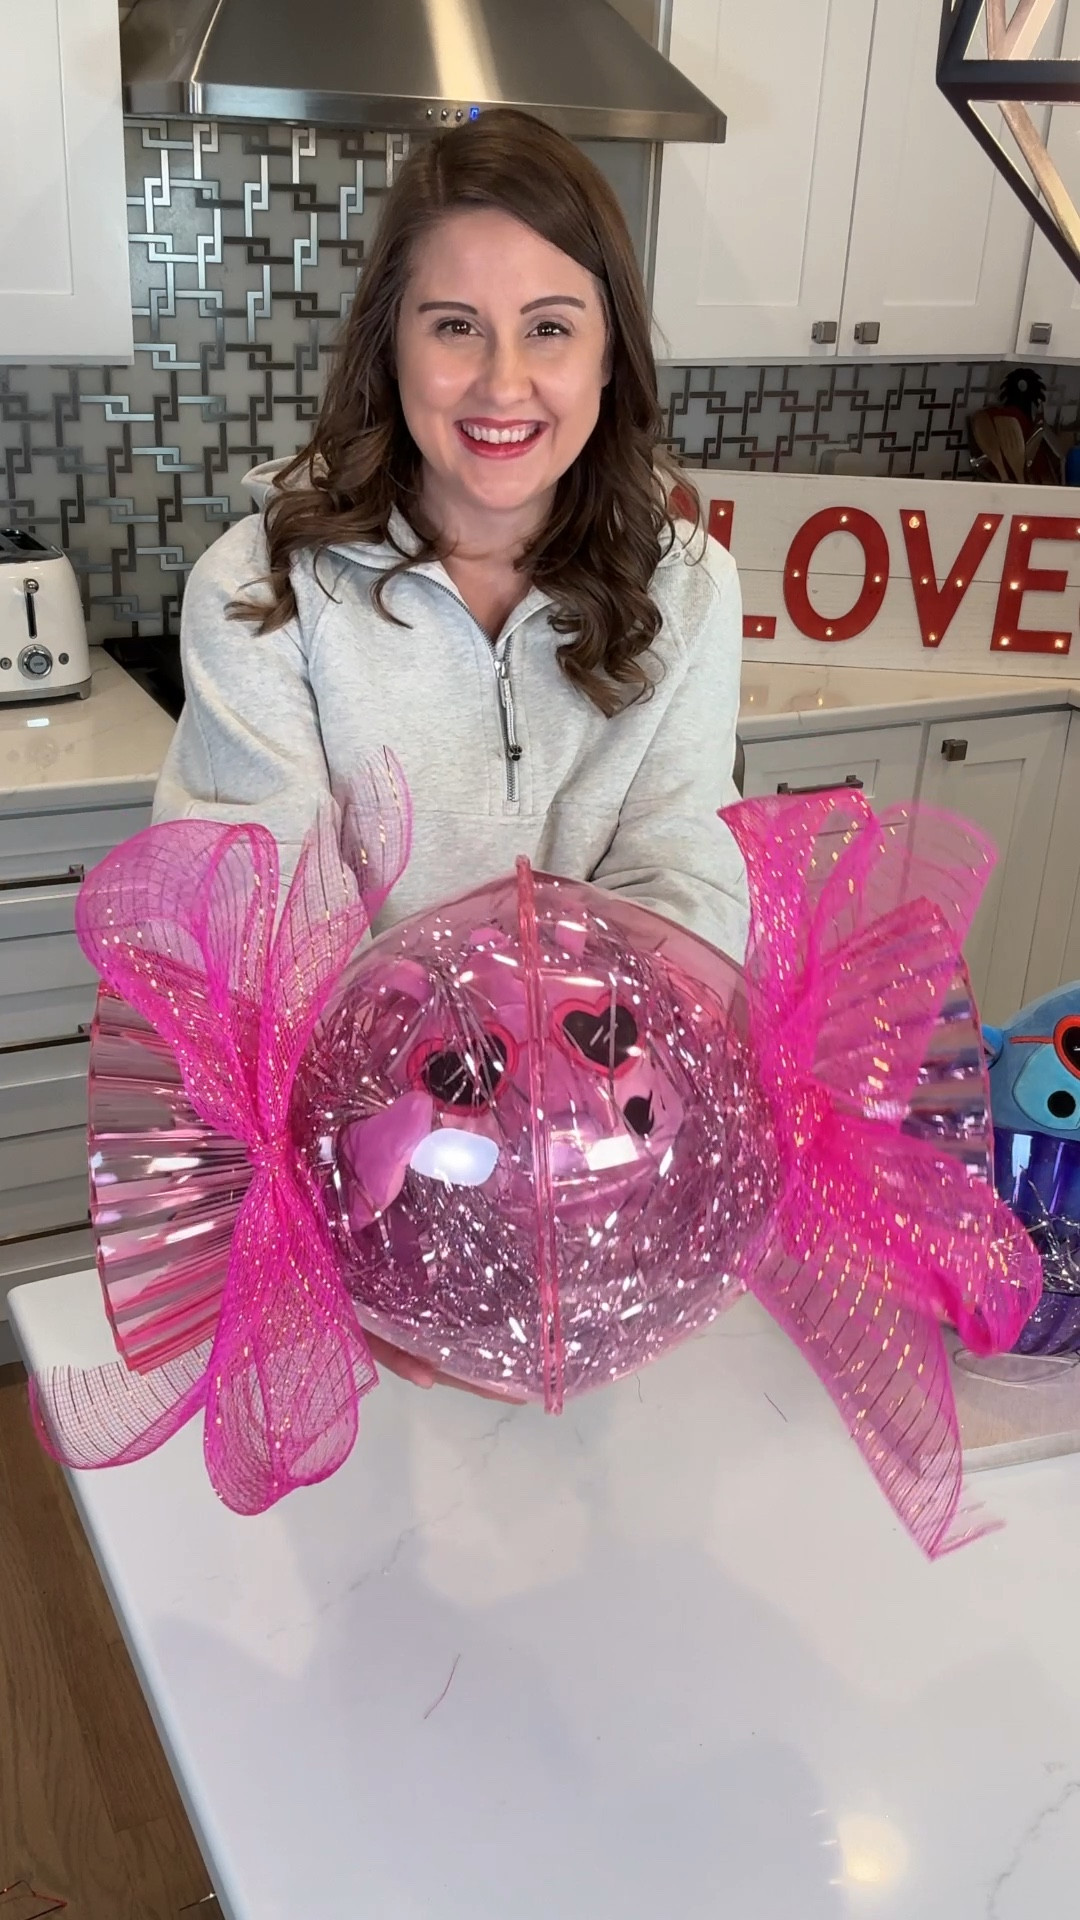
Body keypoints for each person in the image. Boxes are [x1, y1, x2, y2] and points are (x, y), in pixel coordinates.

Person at [154, 106, 747, 1387]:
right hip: (353, 1190)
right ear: (391, 345)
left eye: (549, 326)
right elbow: (254, 928)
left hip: (602, 1200)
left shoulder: (691, 592)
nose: (501, 385)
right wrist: (367, 1223)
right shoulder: (261, 590)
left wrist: (599, 1172)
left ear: (609, 357)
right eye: (454, 327)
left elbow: (683, 878)